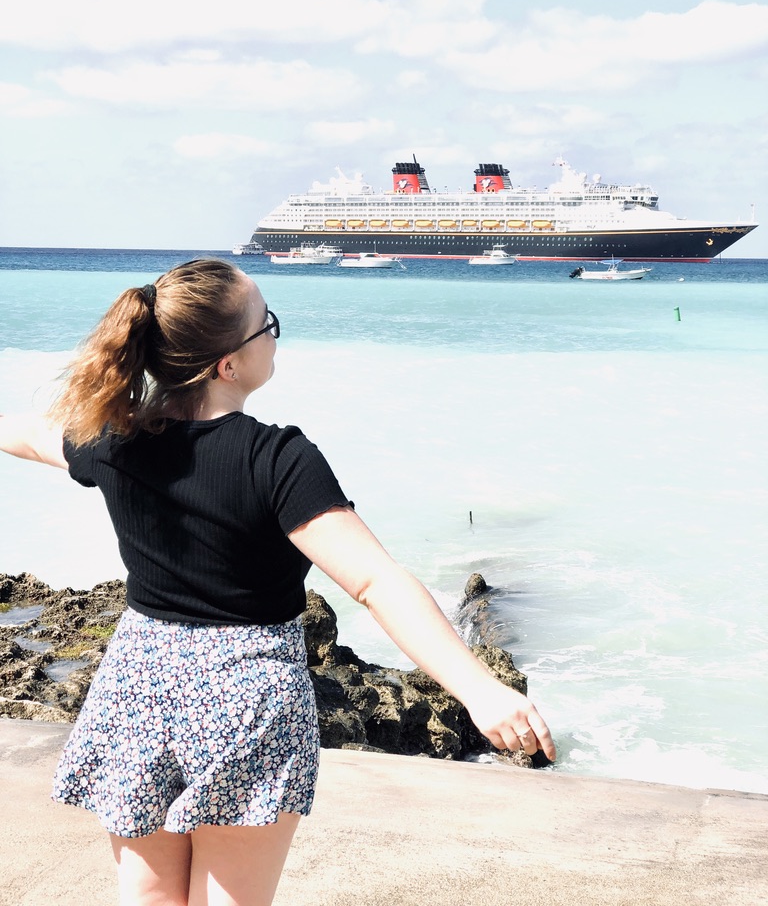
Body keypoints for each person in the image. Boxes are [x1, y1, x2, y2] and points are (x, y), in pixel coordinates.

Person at [0, 258, 555, 906]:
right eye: (267, 325)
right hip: (246, 697)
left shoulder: (116, 437)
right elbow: (374, 581)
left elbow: (32, 436)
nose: (272, 335)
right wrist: (481, 691)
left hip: (138, 686)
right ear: (226, 365)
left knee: (145, 896)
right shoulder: (278, 459)